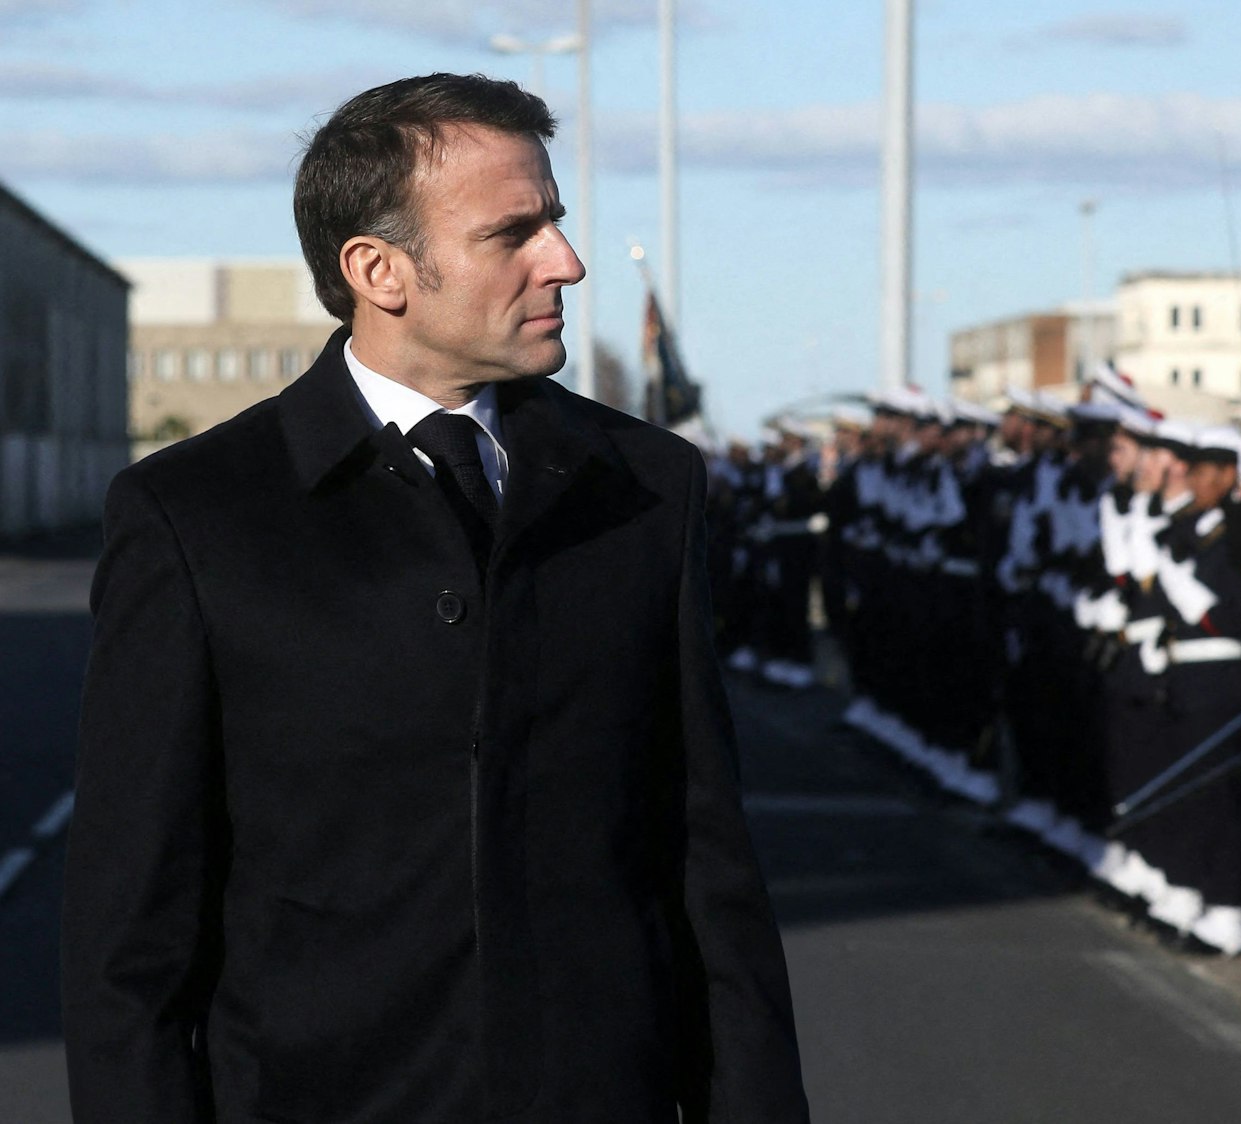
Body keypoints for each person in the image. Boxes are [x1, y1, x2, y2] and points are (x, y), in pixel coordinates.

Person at [61, 74, 808, 1123]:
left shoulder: (647, 487)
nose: (567, 260)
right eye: (516, 232)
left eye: (555, 218)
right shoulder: (197, 516)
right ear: (380, 270)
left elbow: (709, 876)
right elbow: (129, 939)